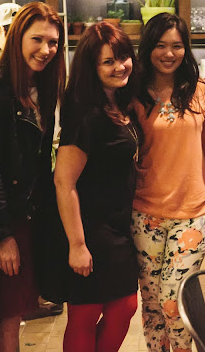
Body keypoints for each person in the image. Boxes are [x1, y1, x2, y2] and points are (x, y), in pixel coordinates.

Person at [0, 1, 65, 352]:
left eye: (53, 42)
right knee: (8, 315)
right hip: (7, 220)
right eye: (37, 39)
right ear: (16, 38)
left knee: (17, 309)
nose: (46, 49)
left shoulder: (41, 87)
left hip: (29, 215)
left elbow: (39, 161)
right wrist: (2, 236)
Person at [54, 22, 141, 351]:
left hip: (118, 227)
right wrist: (77, 245)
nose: (120, 66)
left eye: (124, 57)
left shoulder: (118, 104)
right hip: (90, 228)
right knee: (86, 313)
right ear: (91, 67)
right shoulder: (85, 114)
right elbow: (64, 181)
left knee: (124, 307)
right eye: (108, 61)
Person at [132, 12, 205, 352]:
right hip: (145, 212)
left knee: (173, 301)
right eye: (161, 46)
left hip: (193, 212)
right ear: (148, 48)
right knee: (151, 302)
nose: (169, 53)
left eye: (177, 46)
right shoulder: (134, 94)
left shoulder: (199, 90)